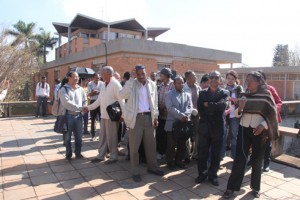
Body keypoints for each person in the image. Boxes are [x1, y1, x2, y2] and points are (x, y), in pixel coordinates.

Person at [223, 71, 279, 199]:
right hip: (244, 129)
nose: (247, 83)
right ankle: (231, 188)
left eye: (250, 80)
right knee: (240, 159)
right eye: (246, 80)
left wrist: (263, 126)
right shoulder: (244, 95)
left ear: (259, 82)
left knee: (257, 160)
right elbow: (237, 114)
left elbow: (272, 114)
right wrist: (241, 107)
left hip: (260, 132)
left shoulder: (266, 96)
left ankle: (255, 188)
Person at [119, 64, 164, 182]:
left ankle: (152, 168)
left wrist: (155, 117)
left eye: (142, 74)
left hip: (149, 118)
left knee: (151, 146)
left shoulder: (152, 84)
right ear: (135, 74)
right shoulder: (132, 84)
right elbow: (122, 95)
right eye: (138, 74)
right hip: (136, 119)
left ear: (146, 72)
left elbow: (155, 102)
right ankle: (135, 171)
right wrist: (130, 79)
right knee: (134, 148)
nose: (140, 76)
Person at [195, 70, 229, 186]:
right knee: (202, 153)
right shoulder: (202, 93)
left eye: (217, 78)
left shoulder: (224, 92)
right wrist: (214, 106)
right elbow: (200, 108)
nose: (214, 80)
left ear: (220, 80)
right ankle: (202, 174)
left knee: (216, 153)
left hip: (218, 127)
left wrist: (208, 104)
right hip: (204, 126)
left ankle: (213, 175)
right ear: (209, 79)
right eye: (212, 77)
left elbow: (223, 106)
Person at [88, 66, 125, 164]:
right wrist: (88, 108)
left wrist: (123, 115)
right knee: (103, 136)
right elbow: (99, 100)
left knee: (112, 137)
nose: (101, 75)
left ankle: (113, 157)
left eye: (102, 73)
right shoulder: (104, 84)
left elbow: (122, 101)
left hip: (112, 116)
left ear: (108, 74)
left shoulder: (116, 84)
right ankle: (101, 155)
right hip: (103, 115)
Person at [247, 70, 282, 172]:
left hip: (269, 121)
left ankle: (266, 163)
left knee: (267, 142)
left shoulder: (270, 89)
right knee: (253, 142)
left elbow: (279, 102)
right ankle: (252, 159)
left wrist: (272, 111)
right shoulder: (250, 90)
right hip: (255, 120)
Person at [165, 76, 195, 170]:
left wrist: (185, 115)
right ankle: (170, 162)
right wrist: (181, 116)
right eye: (179, 83)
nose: (181, 84)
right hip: (173, 124)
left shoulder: (187, 94)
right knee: (171, 145)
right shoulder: (169, 94)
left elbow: (190, 106)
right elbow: (170, 108)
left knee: (182, 144)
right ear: (174, 84)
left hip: (184, 124)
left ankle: (179, 161)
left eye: (182, 82)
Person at [60, 71, 87, 160]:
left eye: (77, 77)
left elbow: (85, 100)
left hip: (79, 116)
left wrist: (83, 110)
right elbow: (66, 103)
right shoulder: (64, 89)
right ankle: (68, 154)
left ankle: (78, 153)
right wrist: (79, 108)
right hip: (68, 117)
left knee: (79, 137)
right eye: (75, 77)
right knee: (67, 137)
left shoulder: (80, 89)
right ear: (69, 78)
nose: (77, 78)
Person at [156, 67, 174, 159]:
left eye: (161, 74)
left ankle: (168, 154)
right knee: (160, 134)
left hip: (169, 116)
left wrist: (165, 107)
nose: (160, 76)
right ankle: (161, 152)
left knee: (169, 136)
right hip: (161, 115)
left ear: (166, 75)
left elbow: (174, 99)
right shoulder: (161, 85)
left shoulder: (173, 85)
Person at [183, 70, 201, 160]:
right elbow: (184, 104)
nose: (195, 78)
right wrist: (194, 111)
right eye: (193, 76)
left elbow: (200, 100)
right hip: (187, 115)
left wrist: (199, 111)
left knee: (197, 134)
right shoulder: (183, 88)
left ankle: (195, 153)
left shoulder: (197, 87)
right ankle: (187, 155)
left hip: (197, 115)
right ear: (187, 78)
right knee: (187, 135)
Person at [225, 70, 243, 159]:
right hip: (225, 115)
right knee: (223, 134)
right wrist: (232, 99)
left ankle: (234, 155)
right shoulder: (223, 88)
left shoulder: (239, 88)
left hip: (234, 115)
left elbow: (239, 100)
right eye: (228, 78)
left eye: (232, 78)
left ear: (235, 79)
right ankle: (221, 155)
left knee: (234, 135)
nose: (230, 80)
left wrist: (229, 98)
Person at [87, 73, 103, 139]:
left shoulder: (102, 83)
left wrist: (97, 92)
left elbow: (103, 92)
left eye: (98, 78)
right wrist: (93, 93)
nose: (97, 79)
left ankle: (102, 134)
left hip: (100, 102)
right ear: (93, 78)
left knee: (101, 118)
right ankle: (93, 135)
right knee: (93, 119)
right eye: (96, 78)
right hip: (93, 101)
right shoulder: (90, 84)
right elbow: (89, 94)